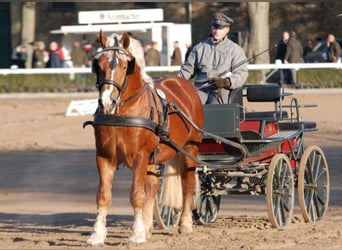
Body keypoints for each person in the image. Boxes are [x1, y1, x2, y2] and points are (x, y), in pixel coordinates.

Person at [178, 12, 248, 104]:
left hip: (221, 90)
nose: (217, 31)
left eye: (220, 28)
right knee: (188, 106)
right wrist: (177, 82)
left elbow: (242, 73)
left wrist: (227, 82)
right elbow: (187, 70)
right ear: (211, 27)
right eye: (215, 27)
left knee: (214, 109)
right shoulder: (199, 48)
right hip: (200, 89)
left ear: (227, 29)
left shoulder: (235, 50)